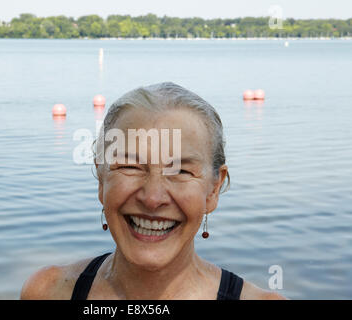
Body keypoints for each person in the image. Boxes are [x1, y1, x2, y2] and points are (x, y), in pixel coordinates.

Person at [21, 82, 287, 300]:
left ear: (213, 189)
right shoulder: (48, 292)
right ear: (101, 180)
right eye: (130, 167)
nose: (152, 198)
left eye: (182, 171)